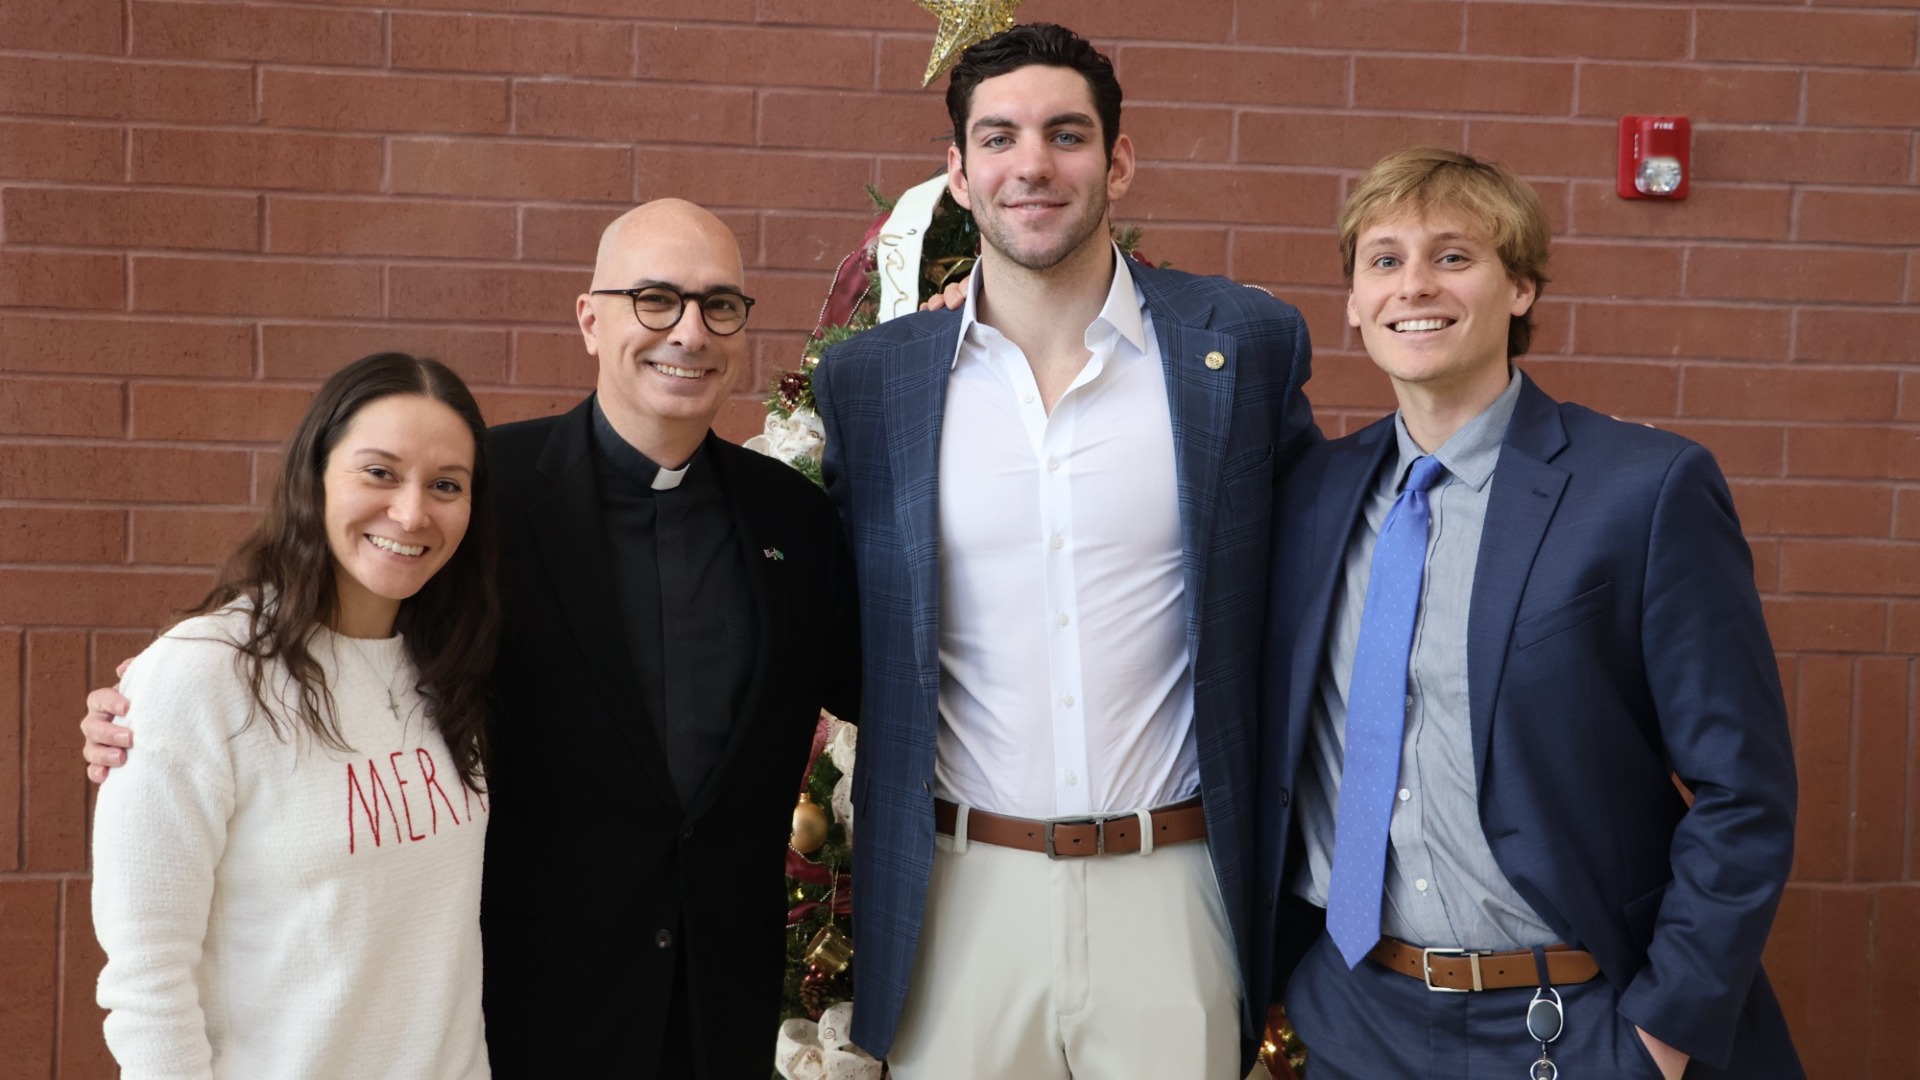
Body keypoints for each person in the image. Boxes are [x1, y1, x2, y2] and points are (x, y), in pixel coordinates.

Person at [84, 200, 861, 1079]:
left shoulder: (792, 518)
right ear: (590, 319)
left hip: (718, 1015)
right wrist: (147, 705)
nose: (689, 331)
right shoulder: (481, 495)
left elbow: (880, 687)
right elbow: (334, 613)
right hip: (522, 1015)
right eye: (654, 299)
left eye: (720, 306)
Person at [812, 23, 1317, 1078]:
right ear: (957, 174)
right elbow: (857, 627)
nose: (1031, 164)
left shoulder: (1241, 347)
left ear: (1117, 161)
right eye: (997, 138)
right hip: (958, 895)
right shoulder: (875, 382)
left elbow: (1306, 587)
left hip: (1172, 888)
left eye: (1066, 135)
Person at [1253, 147, 1803, 1079]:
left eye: (1454, 256)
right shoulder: (1310, 497)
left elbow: (1744, 792)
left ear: (1521, 288)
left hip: (1574, 1020)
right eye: (1384, 260)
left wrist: (1659, 1038)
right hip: (1350, 1020)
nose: (1414, 285)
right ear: (1351, 303)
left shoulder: (1645, 490)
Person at [90, 352, 498, 1079]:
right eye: (379, 472)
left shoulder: (448, 669)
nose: (411, 511)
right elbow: (147, 980)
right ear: (314, 473)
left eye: (446, 485)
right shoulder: (204, 675)